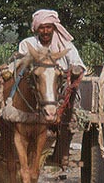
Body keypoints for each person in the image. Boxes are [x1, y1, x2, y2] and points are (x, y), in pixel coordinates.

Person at [17, 9, 86, 169]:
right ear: (36, 29)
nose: (46, 31)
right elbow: (20, 67)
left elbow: (79, 65)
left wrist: (71, 72)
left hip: (61, 93)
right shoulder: (27, 45)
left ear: (54, 27)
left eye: (49, 27)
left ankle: (63, 151)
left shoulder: (66, 45)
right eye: (42, 27)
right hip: (34, 93)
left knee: (70, 114)